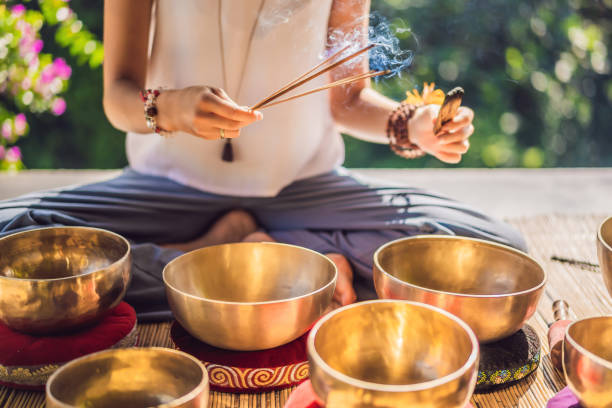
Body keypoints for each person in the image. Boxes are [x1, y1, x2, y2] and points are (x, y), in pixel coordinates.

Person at [0, 0, 525, 321]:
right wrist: (171, 107)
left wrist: (411, 125)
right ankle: (254, 261)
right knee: (11, 237)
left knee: (496, 250)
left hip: (303, 190)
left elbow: (346, 98)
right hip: (169, 186)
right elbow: (118, 96)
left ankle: (259, 256)